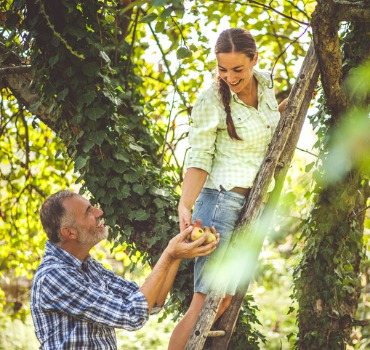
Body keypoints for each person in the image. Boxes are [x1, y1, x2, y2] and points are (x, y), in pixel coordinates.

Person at [169, 27, 287, 349]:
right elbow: (200, 156)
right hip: (219, 204)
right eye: (222, 69)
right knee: (203, 304)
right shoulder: (211, 100)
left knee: (223, 300)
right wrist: (185, 203)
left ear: (254, 60)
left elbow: (263, 125)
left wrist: (290, 106)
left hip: (251, 205)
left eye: (238, 69)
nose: (230, 77)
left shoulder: (265, 84)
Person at [30, 190, 219, 349]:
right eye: (88, 212)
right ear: (69, 233)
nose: (99, 212)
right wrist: (168, 254)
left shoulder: (88, 266)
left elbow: (150, 303)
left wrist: (177, 254)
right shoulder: (54, 276)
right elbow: (131, 314)